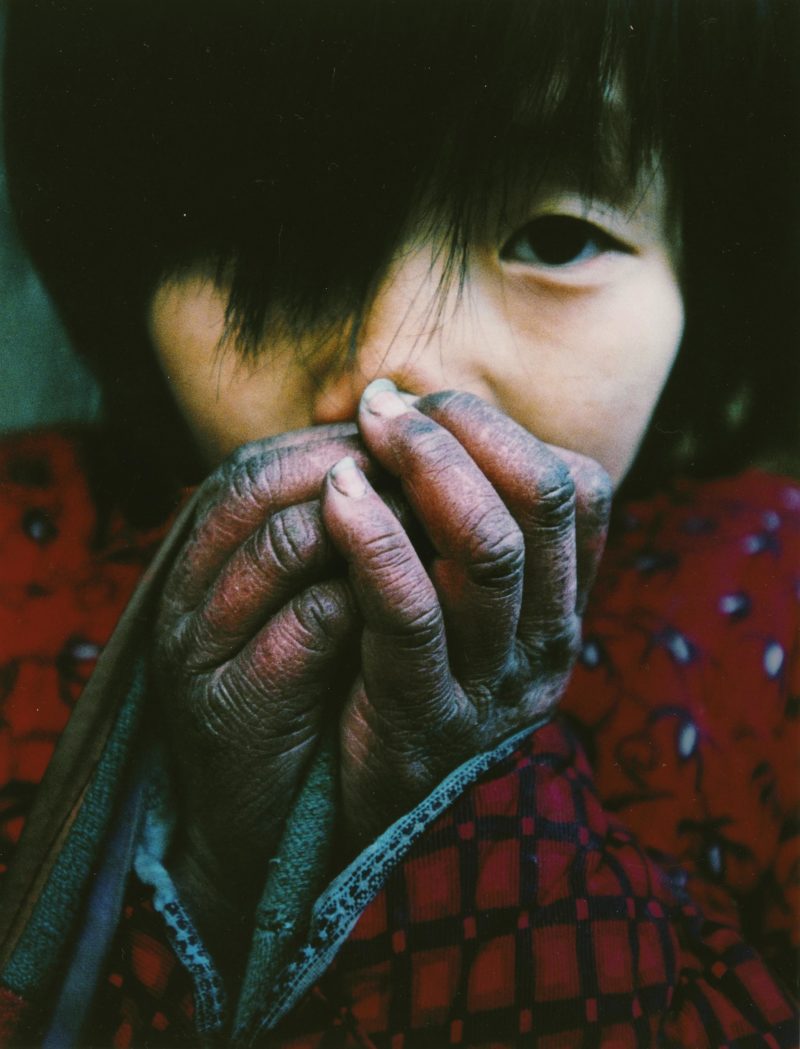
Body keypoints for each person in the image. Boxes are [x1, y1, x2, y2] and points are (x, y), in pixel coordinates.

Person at [0, 0, 798, 1045]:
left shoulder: (768, 616)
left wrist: (452, 811)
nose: (391, 364)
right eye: (267, 235)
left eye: (554, 238)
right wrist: (212, 861)